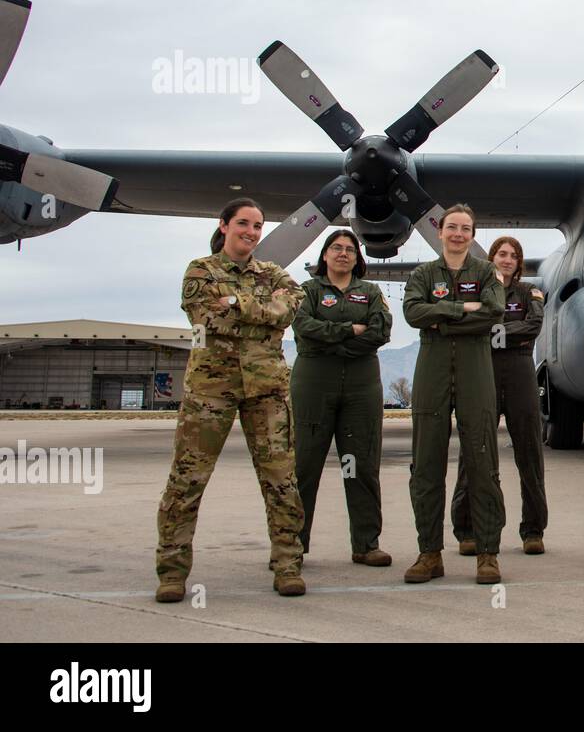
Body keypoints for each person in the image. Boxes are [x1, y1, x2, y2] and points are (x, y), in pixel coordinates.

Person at [155, 198, 306, 601]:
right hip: (210, 390)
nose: (252, 232)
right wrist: (260, 313)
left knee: (281, 479)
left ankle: (288, 564)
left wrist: (237, 303)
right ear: (224, 226)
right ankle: (171, 571)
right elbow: (205, 318)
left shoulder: (275, 273)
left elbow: (289, 310)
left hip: (267, 390)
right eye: (243, 223)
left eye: (258, 226)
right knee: (187, 480)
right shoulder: (201, 270)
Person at [402, 204, 507, 586]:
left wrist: (441, 318)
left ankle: (487, 553)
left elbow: (494, 310)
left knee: (482, 458)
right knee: (426, 462)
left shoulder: (485, 272)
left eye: (465, 228)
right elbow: (413, 312)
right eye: (452, 228)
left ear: (473, 234)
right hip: (431, 365)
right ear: (440, 232)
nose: (458, 234)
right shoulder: (422, 273)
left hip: (475, 363)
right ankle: (429, 553)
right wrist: (462, 307)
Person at [290, 229, 393, 567]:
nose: (343, 254)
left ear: (357, 258)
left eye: (350, 249)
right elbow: (303, 327)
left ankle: (366, 543)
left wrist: (333, 339)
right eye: (336, 248)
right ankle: (292, 544)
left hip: (361, 386)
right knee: (305, 464)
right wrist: (350, 330)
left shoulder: (371, 292)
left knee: (361, 464)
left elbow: (381, 332)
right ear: (324, 255)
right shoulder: (307, 290)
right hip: (315, 382)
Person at [451, 236, 548, 555]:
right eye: (501, 254)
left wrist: (493, 330)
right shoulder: (476, 290)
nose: (507, 259)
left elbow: (533, 325)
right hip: (483, 370)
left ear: (519, 263)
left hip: (520, 373)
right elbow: (468, 324)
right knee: (474, 448)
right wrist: (508, 332)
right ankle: (467, 529)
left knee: (529, 451)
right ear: (491, 258)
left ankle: (533, 529)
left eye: (513, 256)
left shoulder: (529, 291)